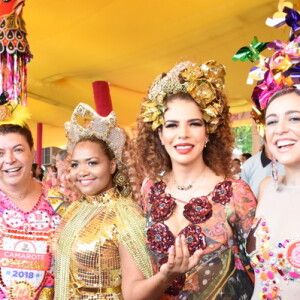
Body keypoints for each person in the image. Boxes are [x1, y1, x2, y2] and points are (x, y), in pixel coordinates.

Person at [123, 60, 257, 299]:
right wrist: (165, 277)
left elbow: (263, 275)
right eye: (172, 125)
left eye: (194, 124)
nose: (183, 134)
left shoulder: (237, 193)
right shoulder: (147, 192)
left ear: (208, 132)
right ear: (160, 136)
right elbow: (133, 290)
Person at [54, 103, 154, 299]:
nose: (82, 171)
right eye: (75, 164)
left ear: (112, 166)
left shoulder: (126, 215)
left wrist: (167, 275)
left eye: (92, 162)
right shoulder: (75, 209)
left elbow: (136, 289)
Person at [0, 123, 64, 299]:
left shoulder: (61, 205)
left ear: (32, 152)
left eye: (18, 150)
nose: (10, 159)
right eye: (0, 153)